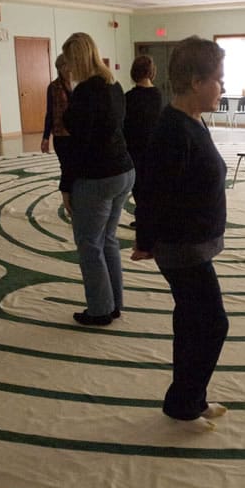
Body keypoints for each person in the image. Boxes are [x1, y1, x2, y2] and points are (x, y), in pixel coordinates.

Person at [131, 37, 229, 431]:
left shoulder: (192, 121)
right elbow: (152, 190)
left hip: (191, 242)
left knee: (191, 321)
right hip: (182, 246)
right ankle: (187, 399)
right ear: (195, 81)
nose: (224, 87)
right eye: (219, 80)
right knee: (213, 323)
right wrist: (145, 240)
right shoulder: (173, 131)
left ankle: (185, 399)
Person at [61, 32, 135, 326]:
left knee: (89, 243)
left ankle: (100, 310)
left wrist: (66, 185)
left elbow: (78, 144)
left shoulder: (86, 91)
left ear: (77, 58)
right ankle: (114, 303)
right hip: (124, 171)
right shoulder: (113, 85)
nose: (66, 68)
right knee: (108, 239)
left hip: (98, 176)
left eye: (68, 61)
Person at [123, 54, 163, 224]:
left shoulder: (128, 97)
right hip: (153, 146)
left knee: (138, 185)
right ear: (152, 72)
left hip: (133, 147)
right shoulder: (158, 95)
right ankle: (150, 217)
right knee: (151, 185)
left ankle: (143, 218)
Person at [41, 54, 73, 212]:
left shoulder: (78, 84)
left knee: (75, 168)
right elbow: (50, 113)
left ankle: (76, 199)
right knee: (66, 167)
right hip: (61, 135)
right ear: (60, 68)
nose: (69, 69)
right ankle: (68, 203)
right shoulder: (53, 87)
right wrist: (45, 137)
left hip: (77, 135)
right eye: (66, 66)